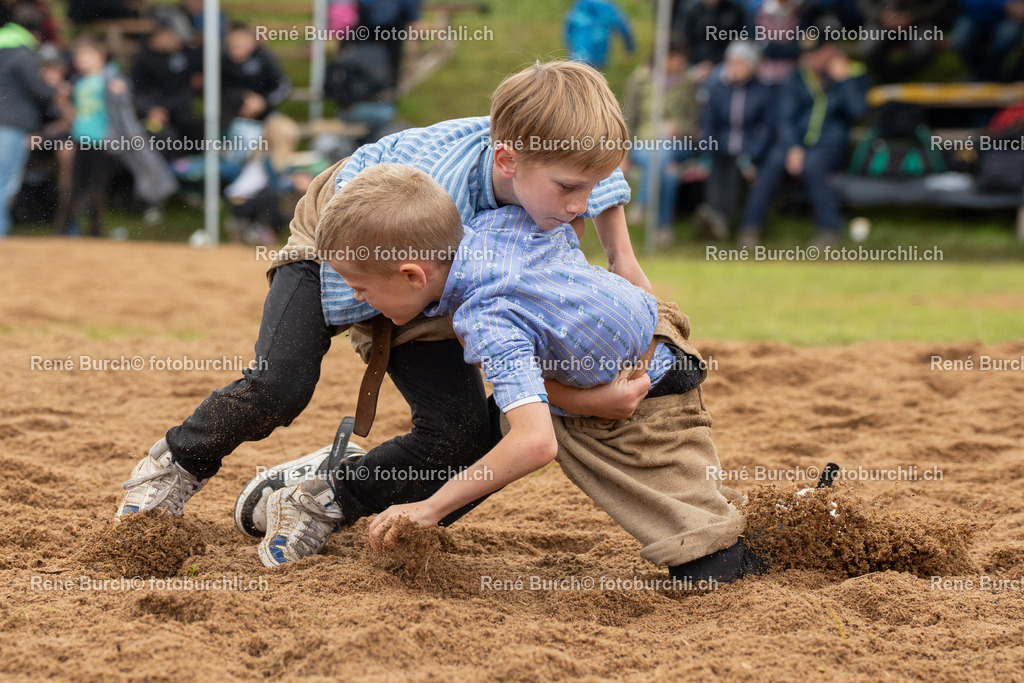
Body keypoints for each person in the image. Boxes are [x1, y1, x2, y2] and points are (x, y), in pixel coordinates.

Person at [115, 61, 651, 535]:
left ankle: (326, 494)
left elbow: (623, 267)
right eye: (569, 190)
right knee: (282, 384)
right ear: (507, 159)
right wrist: (580, 397)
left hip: (432, 280)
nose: (583, 203)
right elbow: (374, 293)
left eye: (594, 184)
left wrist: (653, 342)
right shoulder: (437, 191)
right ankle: (174, 465)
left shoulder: (571, 165)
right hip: (343, 242)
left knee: (458, 436)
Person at [274, 163, 759, 584]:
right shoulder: (499, 222)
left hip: (642, 395)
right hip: (656, 331)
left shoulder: (487, 319)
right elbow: (585, 190)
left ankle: (782, 535)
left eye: (360, 287)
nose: (358, 299)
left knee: (708, 559)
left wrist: (429, 509)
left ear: (411, 275)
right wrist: (619, 262)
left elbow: (535, 444)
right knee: (496, 426)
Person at [737, 36, 867, 246]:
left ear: (830, 51)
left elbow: (858, 110)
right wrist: (793, 147)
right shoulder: (796, 78)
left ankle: (829, 230)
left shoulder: (852, 75)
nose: (810, 59)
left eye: (815, 53)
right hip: (795, 143)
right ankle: (749, 228)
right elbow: (785, 118)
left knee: (813, 165)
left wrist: (844, 80)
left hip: (830, 146)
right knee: (771, 163)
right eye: (806, 54)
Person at [695, 41, 775, 240]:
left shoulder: (763, 92)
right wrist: (706, 154)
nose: (735, 68)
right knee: (716, 170)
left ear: (752, 65)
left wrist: (751, 155)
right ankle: (715, 218)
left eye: (740, 63)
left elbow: (766, 129)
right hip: (720, 148)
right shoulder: (717, 90)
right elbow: (709, 124)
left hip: (749, 151)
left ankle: (719, 220)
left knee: (735, 171)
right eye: (731, 63)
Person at [623, 42, 699, 245]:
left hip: (678, 145)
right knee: (669, 172)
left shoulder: (687, 82)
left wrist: (678, 128)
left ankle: (641, 203)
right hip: (643, 144)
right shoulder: (638, 81)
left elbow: (693, 123)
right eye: (675, 59)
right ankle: (663, 226)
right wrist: (623, 156)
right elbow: (628, 120)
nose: (679, 64)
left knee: (663, 151)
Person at [0, 4, 61, 238]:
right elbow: (38, 90)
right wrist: (53, 88)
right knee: (5, 181)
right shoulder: (22, 52)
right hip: (10, 126)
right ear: (36, 31)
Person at [61, 37, 125, 237]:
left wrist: (119, 90)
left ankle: (95, 231)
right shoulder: (77, 84)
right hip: (81, 140)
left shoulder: (110, 79)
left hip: (102, 142)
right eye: (78, 57)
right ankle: (66, 230)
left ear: (99, 57)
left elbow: (122, 105)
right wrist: (63, 102)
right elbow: (75, 114)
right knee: (75, 187)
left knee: (98, 188)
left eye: (86, 56)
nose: (81, 61)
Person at [858, 0, 954, 83]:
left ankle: (901, 78)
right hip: (881, 20)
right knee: (870, 47)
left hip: (921, 20)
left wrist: (912, 16)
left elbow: (940, 4)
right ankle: (885, 80)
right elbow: (864, 3)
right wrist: (882, 16)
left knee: (923, 49)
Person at [220, 22, 291, 131]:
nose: (236, 44)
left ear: (251, 41)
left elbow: (283, 86)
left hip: (264, 115)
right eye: (233, 41)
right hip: (229, 120)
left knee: (284, 131)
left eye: (241, 40)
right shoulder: (221, 62)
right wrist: (243, 98)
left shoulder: (264, 58)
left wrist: (263, 102)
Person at [952, 0, 1024, 81]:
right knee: (960, 42)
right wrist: (1004, 4)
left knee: (1007, 36)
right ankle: (989, 75)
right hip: (973, 14)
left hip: (1008, 17)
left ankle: (984, 77)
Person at [563, 0, 636, 70]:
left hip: (578, 53)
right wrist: (629, 47)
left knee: (577, 76)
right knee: (594, 77)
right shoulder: (606, 6)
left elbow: (568, 29)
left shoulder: (579, 6)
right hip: (598, 52)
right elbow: (622, 25)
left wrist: (569, 47)